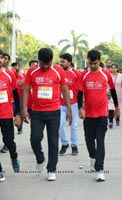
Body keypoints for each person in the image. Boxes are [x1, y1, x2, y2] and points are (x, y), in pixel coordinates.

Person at [22, 48, 72, 181]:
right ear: (38, 60)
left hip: (54, 112)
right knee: (35, 139)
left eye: (48, 64)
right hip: (37, 112)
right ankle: (40, 158)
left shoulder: (58, 70)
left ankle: (51, 169)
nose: (45, 66)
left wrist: (69, 110)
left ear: (52, 61)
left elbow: (65, 90)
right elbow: (26, 89)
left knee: (53, 142)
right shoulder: (32, 71)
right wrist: (24, 109)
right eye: (42, 63)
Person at [78, 49, 119, 182]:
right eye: (91, 63)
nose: (93, 66)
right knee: (89, 141)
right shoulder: (83, 75)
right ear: (88, 60)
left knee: (100, 141)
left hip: (102, 114)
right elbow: (79, 92)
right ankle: (92, 156)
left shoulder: (105, 74)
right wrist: (80, 108)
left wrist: (117, 106)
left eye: (95, 63)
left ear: (99, 61)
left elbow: (112, 90)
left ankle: (100, 170)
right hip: (89, 115)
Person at [0, 49, 22, 182]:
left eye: (2, 57)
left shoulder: (9, 75)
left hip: (6, 114)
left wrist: (17, 113)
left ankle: (14, 157)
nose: (1, 60)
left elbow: (16, 95)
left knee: (9, 141)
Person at [58, 53, 80, 156]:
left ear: (69, 62)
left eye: (63, 61)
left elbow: (81, 90)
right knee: (59, 125)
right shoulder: (58, 73)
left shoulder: (76, 73)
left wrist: (82, 105)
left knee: (74, 126)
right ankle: (64, 143)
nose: (61, 63)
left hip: (73, 104)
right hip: (61, 104)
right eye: (60, 61)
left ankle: (74, 146)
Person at [108, 64, 122, 128]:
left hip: (119, 94)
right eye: (112, 68)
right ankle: (110, 121)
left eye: (115, 68)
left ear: (117, 69)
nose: (113, 69)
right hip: (110, 94)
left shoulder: (121, 76)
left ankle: (117, 119)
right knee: (110, 108)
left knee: (117, 108)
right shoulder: (109, 76)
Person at [11, 62, 25, 135]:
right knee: (12, 114)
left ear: (19, 67)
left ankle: (19, 127)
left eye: (16, 66)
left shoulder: (23, 76)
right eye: (13, 66)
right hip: (11, 99)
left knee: (19, 113)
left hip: (20, 98)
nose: (15, 67)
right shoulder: (11, 75)